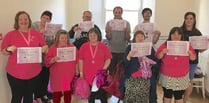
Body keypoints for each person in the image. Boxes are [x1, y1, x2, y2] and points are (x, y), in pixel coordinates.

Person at [1, 11, 48, 103]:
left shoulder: (36, 33)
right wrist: (8, 49)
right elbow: (3, 51)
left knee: (29, 97)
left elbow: (44, 46)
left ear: (29, 20)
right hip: (15, 73)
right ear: (17, 21)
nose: (23, 21)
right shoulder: (10, 34)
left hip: (34, 73)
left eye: (26, 19)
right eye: (20, 19)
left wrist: (45, 48)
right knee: (16, 97)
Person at [155, 27, 196, 103]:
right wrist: (162, 52)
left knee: (178, 96)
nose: (176, 36)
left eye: (178, 34)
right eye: (174, 34)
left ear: (181, 35)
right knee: (167, 95)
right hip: (167, 75)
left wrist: (190, 54)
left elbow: (193, 58)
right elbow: (158, 56)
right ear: (170, 35)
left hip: (181, 76)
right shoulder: (165, 44)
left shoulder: (186, 45)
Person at [121, 30, 159, 103]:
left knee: (152, 83)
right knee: (131, 85)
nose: (140, 38)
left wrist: (149, 63)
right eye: (137, 36)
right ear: (134, 38)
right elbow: (125, 64)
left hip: (146, 73)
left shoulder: (149, 48)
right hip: (132, 73)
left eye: (142, 36)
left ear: (144, 38)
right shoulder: (129, 47)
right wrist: (129, 56)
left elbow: (156, 62)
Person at [133, 8, 161, 103]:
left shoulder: (154, 26)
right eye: (146, 13)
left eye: (149, 13)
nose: (147, 14)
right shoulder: (138, 26)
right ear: (143, 14)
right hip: (138, 58)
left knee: (151, 79)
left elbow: (154, 41)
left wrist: (158, 35)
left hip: (149, 52)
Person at [79, 28, 112, 103]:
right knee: (90, 96)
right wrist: (81, 72)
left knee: (102, 95)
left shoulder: (104, 46)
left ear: (98, 36)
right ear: (88, 36)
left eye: (94, 35)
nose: (92, 37)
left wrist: (103, 69)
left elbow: (108, 59)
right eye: (90, 35)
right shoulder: (84, 46)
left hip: (100, 75)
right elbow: (81, 60)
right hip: (88, 74)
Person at [45, 30, 78, 103]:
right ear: (58, 38)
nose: (64, 40)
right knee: (57, 93)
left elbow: (76, 60)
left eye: (66, 38)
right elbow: (47, 62)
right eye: (62, 38)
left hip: (68, 74)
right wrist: (53, 59)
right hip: (57, 75)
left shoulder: (72, 47)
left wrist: (77, 70)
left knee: (67, 93)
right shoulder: (53, 48)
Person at [180, 12, 206, 103]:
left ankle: (184, 101)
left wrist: (207, 44)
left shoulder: (197, 33)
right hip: (179, 61)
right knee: (178, 81)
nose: (189, 20)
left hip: (192, 62)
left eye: (191, 18)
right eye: (187, 18)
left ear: (194, 20)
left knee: (188, 82)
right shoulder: (180, 30)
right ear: (184, 19)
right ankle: (178, 100)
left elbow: (201, 50)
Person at [31, 10, 53, 103]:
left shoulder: (50, 28)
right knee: (38, 77)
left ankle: (44, 94)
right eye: (43, 17)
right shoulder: (34, 25)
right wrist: (41, 33)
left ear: (50, 21)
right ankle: (37, 96)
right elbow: (31, 39)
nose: (45, 20)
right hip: (36, 56)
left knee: (45, 77)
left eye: (47, 18)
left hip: (46, 57)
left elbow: (51, 43)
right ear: (40, 17)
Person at [105, 6, 131, 75]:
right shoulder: (109, 23)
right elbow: (108, 38)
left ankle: (120, 85)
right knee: (111, 70)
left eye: (119, 12)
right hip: (111, 50)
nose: (117, 14)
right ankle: (111, 85)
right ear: (113, 13)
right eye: (116, 12)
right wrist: (108, 31)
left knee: (121, 70)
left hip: (122, 50)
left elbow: (128, 39)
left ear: (122, 13)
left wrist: (126, 32)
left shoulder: (126, 23)